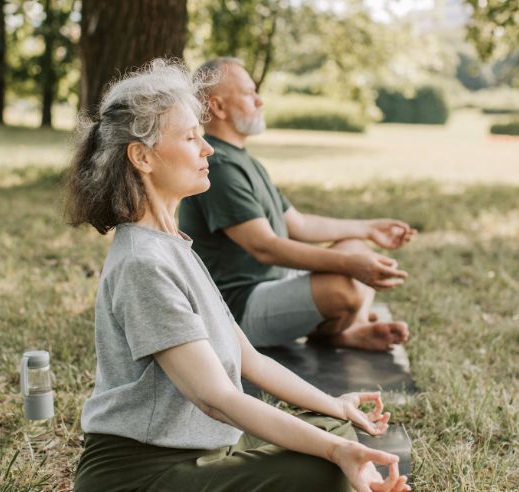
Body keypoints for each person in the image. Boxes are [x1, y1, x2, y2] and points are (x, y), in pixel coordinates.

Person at [65, 59, 410, 492]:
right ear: (142, 156)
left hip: (204, 447)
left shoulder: (174, 246)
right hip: (141, 472)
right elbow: (218, 399)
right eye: (191, 138)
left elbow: (251, 360)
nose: (207, 148)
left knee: (333, 426)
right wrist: (335, 451)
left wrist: (335, 406)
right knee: (328, 466)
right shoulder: (143, 264)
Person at [179, 57, 417, 350]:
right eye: (248, 93)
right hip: (236, 309)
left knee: (357, 247)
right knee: (345, 287)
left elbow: (300, 224)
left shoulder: (243, 160)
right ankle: (341, 330)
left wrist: (368, 229)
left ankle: (347, 331)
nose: (259, 100)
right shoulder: (219, 166)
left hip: (273, 284)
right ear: (217, 107)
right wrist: (349, 265)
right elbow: (264, 247)